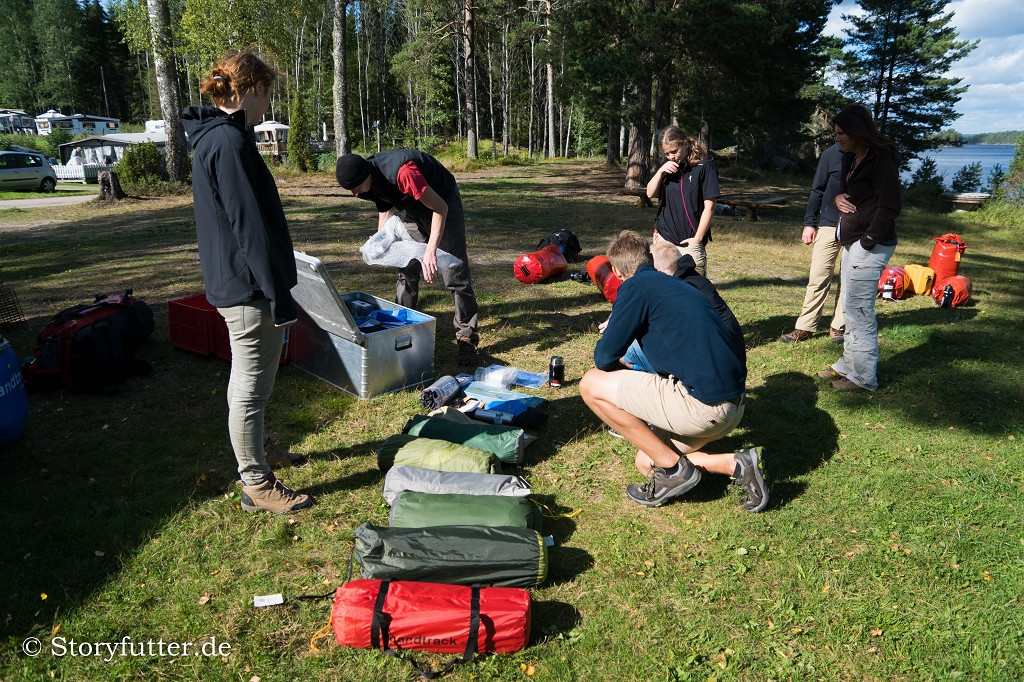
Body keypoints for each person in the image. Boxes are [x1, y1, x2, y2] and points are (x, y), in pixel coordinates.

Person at [182, 50, 313, 515]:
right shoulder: (230, 144)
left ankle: (258, 446)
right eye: (270, 93)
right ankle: (255, 482)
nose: (269, 104)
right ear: (253, 89)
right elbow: (248, 227)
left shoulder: (223, 138)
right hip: (247, 286)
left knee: (257, 382)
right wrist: (277, 292)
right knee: (250, 385)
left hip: (241, 280)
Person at [580, 230, 768, 512]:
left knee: (590, 383)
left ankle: (675, 472)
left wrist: (618, 362)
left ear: (617, 271)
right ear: (647, 257)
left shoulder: (635, 288)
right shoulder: (681, 284)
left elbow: (604, 356)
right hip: (734, 405)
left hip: (704, 408)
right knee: (646, 462)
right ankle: (737, 464)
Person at [335, 150, 480, 365]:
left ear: (366, 175)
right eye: (350, 189)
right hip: (415, 208)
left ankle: (466, 336)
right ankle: (401, 329)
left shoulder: (403, 173)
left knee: (454, 271)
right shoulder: (366, 182)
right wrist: (380, 240)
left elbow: (440, 208)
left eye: (355, 187)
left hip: (442, 202)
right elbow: (385, 207)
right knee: (406, 267)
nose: (354, 193)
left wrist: (431, 251)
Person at [820, 104, 901, 392]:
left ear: (856, 131)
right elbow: (846, 193)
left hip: (870, 245)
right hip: (852, 241)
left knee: (861, 311)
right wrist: (838, 197)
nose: (837, 138)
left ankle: (864, 377)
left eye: (841, 133)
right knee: (849, 307)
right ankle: (847, 366)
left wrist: (868, 241)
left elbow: (889, 205)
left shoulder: (882, 159)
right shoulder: (849, 158)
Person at [616, 240, 745, 374]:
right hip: (732, 367)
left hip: (711, 371)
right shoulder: (694, 279)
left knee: (631, 346)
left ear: (660, 271)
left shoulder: (680, 292)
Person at [779, 142, 846, 344]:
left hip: (859, 226)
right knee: (818, 276)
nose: (840, 137)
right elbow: (817, 190)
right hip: (829, 224)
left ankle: (838, 327)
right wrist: (809, 223)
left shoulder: (869, 153)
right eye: (838, 133)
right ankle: (805, 327)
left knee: (849, 279)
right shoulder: (830, 154)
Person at [645, 126, 720, 276]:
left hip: (690, 242)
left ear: (685, 144)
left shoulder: (704, 168)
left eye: (674, 151)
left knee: (694, 289)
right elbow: (650, 193)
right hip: (664, 239)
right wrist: (660, 171)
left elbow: (709, 207)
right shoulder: (668, 170)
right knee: (663, 288)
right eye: (666, 154)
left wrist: (697, 239)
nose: (671, 157)